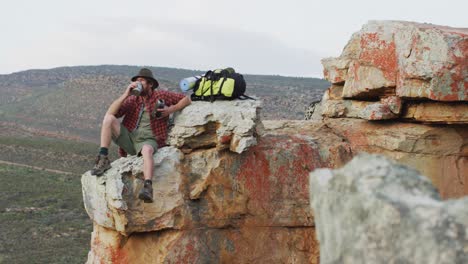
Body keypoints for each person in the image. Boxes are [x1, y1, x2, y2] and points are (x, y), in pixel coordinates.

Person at [90, 68, 191, 203]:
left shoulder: (161, 95)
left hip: (150, 139)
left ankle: (148, 186)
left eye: (141, 80)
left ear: (150, 84)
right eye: (137, 81)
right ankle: (103, 158)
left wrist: (170, 110)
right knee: (108, 119)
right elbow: (111, 112)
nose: (138, 83)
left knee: (147, 151)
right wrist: (126, 94)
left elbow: (186, 99)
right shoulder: (133, 100)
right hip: (131, 138)